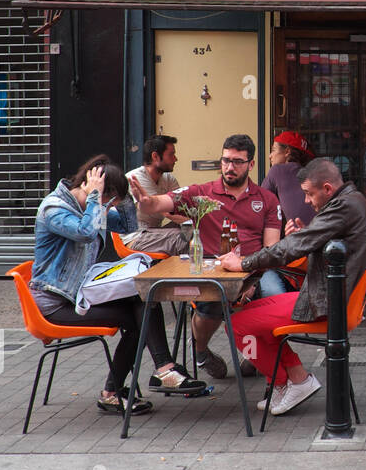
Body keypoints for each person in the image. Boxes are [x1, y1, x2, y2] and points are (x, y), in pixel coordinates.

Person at [31, 155, 206, 416]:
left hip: (79, 293)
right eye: (109, 200)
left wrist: (129, 195)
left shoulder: (94, 207)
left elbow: (127, 225)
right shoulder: (54, 209)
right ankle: (118, 390)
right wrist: (94, 197)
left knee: (144, 296)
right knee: (137, 320)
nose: (108, 207)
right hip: (55, 303)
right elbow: (86, 232)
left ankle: (162, 369)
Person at [220, 157, 366, 414]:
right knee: (245, 314)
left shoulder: (342, 208)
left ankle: (290, 382)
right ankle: (293, 380)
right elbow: (313, 248)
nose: (307, 201)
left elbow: (291, 248)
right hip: (335, 297)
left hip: (329, 303)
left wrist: (244, 263)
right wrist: (307, 234)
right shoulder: (354, 202)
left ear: (328, 189)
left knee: (236, 325)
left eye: (309, 194)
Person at [129, 134, 284, 378]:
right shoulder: (201, 193)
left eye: (237, 162)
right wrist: (147, 203)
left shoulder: (267, 199)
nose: (229, 167)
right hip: (215, 273)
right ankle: (201, 352)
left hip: (255, 269)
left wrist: (250, 280)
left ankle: (257, 355)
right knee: (210, 302)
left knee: (275, 295)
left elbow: (271, 250)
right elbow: (160, 203)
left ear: (251, 164)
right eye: (225, 160)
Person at [120, 134, 190, 256]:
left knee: (192, 230)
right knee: (186, 237)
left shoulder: (168, 179)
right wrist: (196, 223)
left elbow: (182, 208)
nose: (175, 159)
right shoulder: (136, 179)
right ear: (155, 156)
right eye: (171, 155)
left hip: (155, 233)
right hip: (136, 237)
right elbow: (168, 213)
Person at [262, 130, 317, 231]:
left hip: (297, 237)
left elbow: (260, 203)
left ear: (287, 151)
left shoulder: (277, 170)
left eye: (273, 150)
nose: (270, 156)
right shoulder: (313, 173)